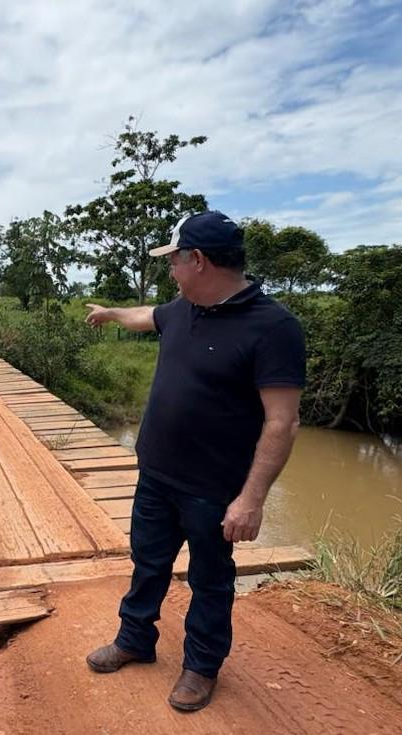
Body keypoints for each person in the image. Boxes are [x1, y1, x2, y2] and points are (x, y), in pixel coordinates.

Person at [82, 210, 305, 712]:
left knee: (210, 578)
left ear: (197, 260)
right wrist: (112, 313)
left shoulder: (273, 327)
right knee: (148, 563)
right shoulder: (185, 306)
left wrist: (251, 499)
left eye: (174, 260)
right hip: (156, 475)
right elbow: (149, 316)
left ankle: (201, 667)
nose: (170, 270)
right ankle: (134, 640)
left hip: (214, 488)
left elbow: (282, 421)